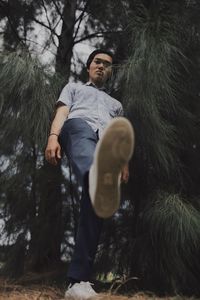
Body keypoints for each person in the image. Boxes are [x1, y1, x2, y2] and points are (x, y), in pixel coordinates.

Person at [45, 49, 134, 299]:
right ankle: (98, 174)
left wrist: (124, 163)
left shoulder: (116, 105)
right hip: (78, 126)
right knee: (93, 172)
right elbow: (62, 113)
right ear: (89, 66)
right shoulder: (73, 88)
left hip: (105, 141)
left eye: (107, 65)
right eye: (98, 62)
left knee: (95, 200)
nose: (102, 66)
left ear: (110, 72)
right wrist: (53, 136)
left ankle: (78, 282)